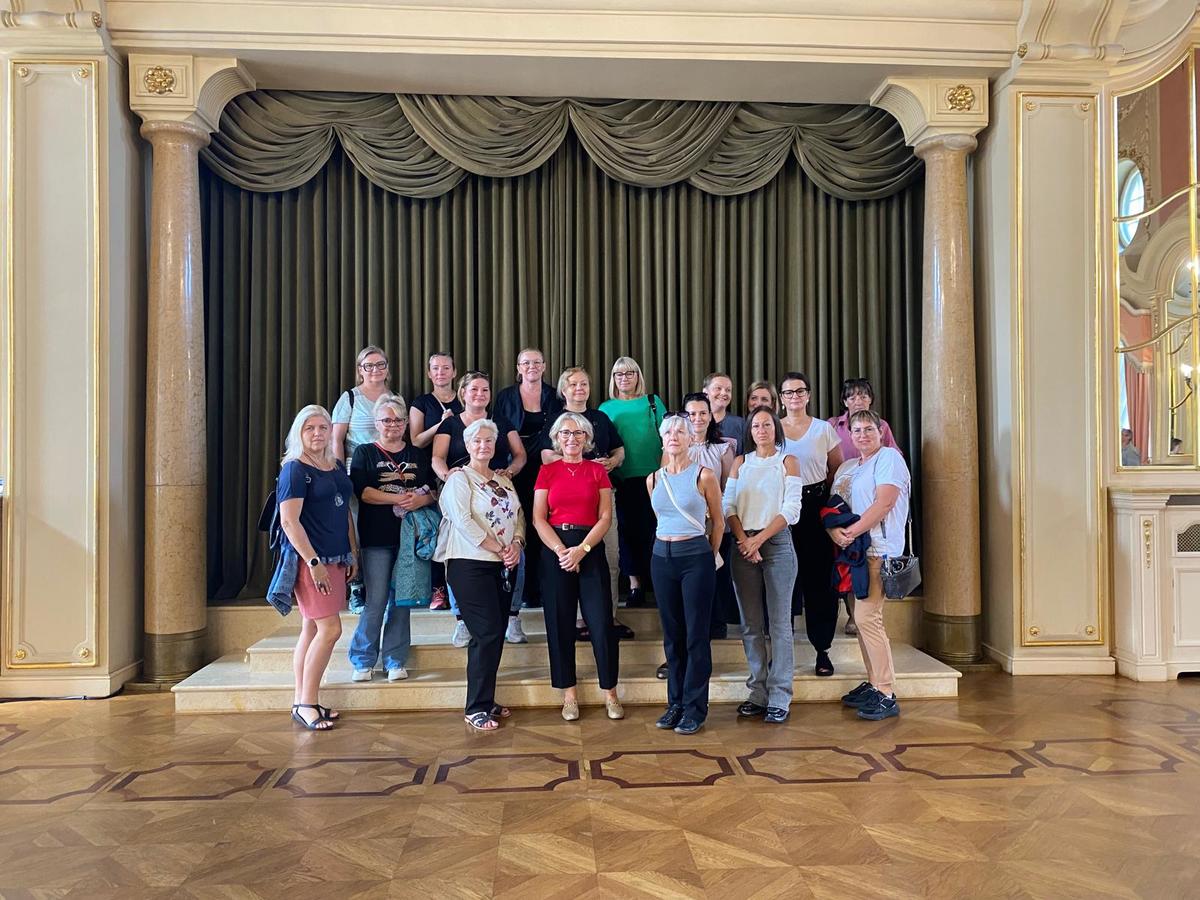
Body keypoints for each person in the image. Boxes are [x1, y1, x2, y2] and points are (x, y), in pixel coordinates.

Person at [532, 412, 623, 721]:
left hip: (590, 548)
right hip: (555, 550)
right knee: (559, 624)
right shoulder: (547, 471)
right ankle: (569, 695)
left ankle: (610, 693)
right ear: (557, 439)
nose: (572, 438)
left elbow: (605, 517)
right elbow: (538, 518)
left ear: (587, 439)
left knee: (601, 623)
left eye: (578, 433)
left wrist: (582, 550)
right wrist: (562, 551)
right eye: (566, 433)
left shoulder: (597, 471)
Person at [275, 405, 358, 731]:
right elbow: (289, 522)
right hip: (311, 562)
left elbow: (344, 510)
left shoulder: (333, 465)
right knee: (330, 630)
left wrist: (351, 552)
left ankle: (303, 700)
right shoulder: (294, 469)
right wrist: (313, 563)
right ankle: (306, 704)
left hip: (336, 558)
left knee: (311, 629)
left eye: (323, 427)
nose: (317, 433)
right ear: (299, 432)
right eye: (310, 428)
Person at [439, 419, 525, 731]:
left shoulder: (504, 480)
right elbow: (463, 521)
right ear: (467, 445)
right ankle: (475, 706)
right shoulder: (459, 479)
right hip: (469, 564)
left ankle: (486, 700)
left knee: (496, 632)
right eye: (477, 441)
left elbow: (518, 515)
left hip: (502, 565)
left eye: (489, 440)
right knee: (486, 632)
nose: (483, 445)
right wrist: (499, 548)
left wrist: (516, 543)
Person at [432, 372, 528, 646]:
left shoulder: (501, 421)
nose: (479, 394)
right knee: (460, 551)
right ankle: (462, 619)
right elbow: (437, 457)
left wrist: (509, 472)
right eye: (474, 389)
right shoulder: (450, 424)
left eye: (485, 389)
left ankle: (512, 615)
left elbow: (520, 454)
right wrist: (448, 475)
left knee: (516, 554)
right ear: (463, 393)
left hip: (497, 492)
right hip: (464, 491)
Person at [347, 394, 437, 683]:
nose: (393, 425)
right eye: (386, 420)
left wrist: (420, 501)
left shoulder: (417, 455)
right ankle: (363, 660)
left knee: (402, 600)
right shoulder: (365, 453)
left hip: (411, 539)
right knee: (375, 600)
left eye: (398, 420)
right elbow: (364, 492)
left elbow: (433, 491)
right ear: (376, 423)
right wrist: (399, 498)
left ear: (406, 423)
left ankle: (395, 659)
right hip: (377, 537)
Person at [828, 409, 911, 721]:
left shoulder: (888, 458)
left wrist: (851, 532)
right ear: (849, 435)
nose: (862, 435)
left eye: (868, 429)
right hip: (853, 553)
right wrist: (835, 532)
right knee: (862, 621)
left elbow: (885, 503)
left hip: (878, 550)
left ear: (881, 432)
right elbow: (834, 508)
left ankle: (886, 691)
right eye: (857, 430)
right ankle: (874, 682)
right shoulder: (850, 466)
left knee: (867, 618)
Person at [540, 366, 632, 641]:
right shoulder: (555, 419)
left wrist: (612, 462)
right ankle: (579, 619)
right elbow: (546, 456)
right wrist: (584, 465)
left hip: (601, 496)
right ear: (563, 390)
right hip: (565, 502)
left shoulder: (600, 418)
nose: (580, 389)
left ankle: (607, 616)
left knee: (610, 558)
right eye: (573, 384)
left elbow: (619, 449)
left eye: (584, 384)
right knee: (570, 561)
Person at [723, 408, 803, 723]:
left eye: (767, 424)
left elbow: (792, 508)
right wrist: (745, 540)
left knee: (780, 624)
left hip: (777, 544)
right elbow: (728, 505)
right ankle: (757, 692)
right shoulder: (740, 462)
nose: (761, 430)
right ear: (750, 431)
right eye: (756, 425)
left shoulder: (788, 462)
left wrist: (759, 540)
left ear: (775, 428)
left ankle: (780, 696)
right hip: (743, 544)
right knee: (750, 624)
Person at [648, 415, 724, 735]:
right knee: (672, 636)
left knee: (695, 636)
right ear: (662, 439)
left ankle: (695, 708)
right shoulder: (653, 478)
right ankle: (675, 704)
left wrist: (708, 554)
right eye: (668, 431)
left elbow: (717, 521)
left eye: (681, 431)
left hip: (695, 558)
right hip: (661, 559)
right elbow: (660, 519)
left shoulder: (704, 475)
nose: (674, 436)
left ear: (691, 438)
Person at [779, 372, 844, 676]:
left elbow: (836, 468)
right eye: (788, 392)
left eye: (799, 391)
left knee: (819, 580)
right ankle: (782, 653)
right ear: (781, 398)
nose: (794, 396)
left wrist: (820, 499)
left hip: (816, 508)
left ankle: (822, 650)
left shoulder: (823, 429)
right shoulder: (773, 428)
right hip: (782, 509)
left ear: (808, 395)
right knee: (782, 580)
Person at [827, 377, 899, 635]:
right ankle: (851, 612)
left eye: (863, 395)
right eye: (852, 396)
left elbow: (889, 482)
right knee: (845, 565)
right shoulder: (832, 426)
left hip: (871, 508)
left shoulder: (883, 434)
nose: (858, 400)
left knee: (868, 610)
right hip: (843, 502)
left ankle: (855, 618)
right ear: (845, 401)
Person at [494, 347, 564, 610]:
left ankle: (545, 587)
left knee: (545, 525)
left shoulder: (555, 396)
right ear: (518, 368)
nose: (531, 367)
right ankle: (523, 590)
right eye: (526, 363)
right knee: (520, 527)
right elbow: (498, 433)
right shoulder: (505, 396)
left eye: (536, 362)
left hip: (549, 467)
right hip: (515, 468)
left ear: (544, 366)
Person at [598, 357, 666, 607]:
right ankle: (635, 585)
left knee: (655, 530)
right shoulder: (606, 408)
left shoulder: (653, 402)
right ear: (613, 379)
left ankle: (657, 583)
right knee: (626, 533)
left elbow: (667, 436)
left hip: (655, 477)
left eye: (629, 373)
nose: (624, 378)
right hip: (621, 478)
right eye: (618, 374)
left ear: (638, 376)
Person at [409, 351, 463, 610]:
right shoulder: (422, 403)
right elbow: (416, 440)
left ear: (454, 372)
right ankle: (438, 589)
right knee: (437, 532)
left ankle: (460, 590)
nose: (441, 372)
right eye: (436, 368)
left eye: (446, 368)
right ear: (429, 373)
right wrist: (441, 425)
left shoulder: (465, 399)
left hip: (463, 475)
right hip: (431, 474)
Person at [332, 345, 392, 467]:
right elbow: (336, 440)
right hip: (357, 466)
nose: (375, 369)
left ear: (387, 368)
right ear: (360, 370)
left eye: (380, 364)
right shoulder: (350, 398)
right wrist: (340, 472)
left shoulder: (395, 398)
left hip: (389, 466)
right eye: (369, 366)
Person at [827, 377, 899, 464]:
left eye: (863, 397)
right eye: (852, 399)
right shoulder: (833, 425)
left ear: (870, 399)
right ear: (845, 402)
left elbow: (895, 456)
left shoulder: (881, 425)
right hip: (843, 471)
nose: (858, 403)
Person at [703, 372, 745, 455]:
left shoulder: (741, 424)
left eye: (728, 390)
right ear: (705, 392)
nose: (724, 393)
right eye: (718, 388)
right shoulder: (693, 422)